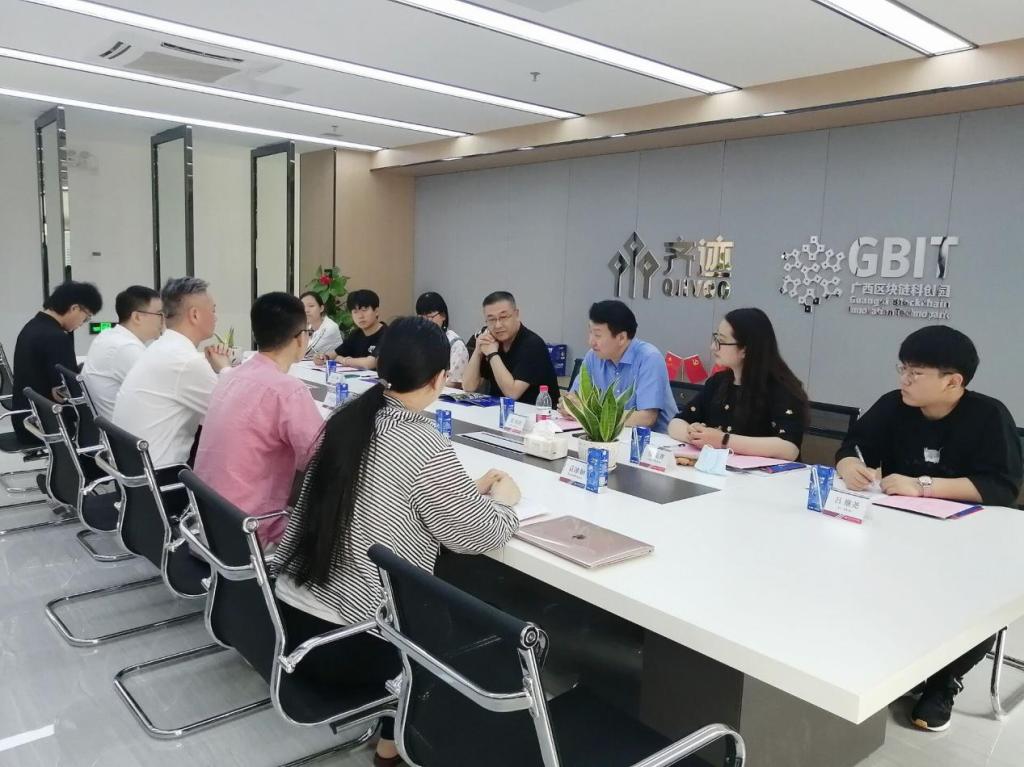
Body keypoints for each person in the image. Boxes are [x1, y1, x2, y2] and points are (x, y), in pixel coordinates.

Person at [273, 316, 519, 767]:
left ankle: (392, 736)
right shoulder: (425, 442)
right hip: (349, 646)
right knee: (457, 618)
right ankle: (398, 742)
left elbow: (394, 493)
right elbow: (476, 534)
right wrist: (505, 502)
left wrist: (465, 491)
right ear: (440, 378)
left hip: (289, 624)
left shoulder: (348, 420)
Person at [836, 325, 1022, 733]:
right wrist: (849, 464)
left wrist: (923, 486)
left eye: (915, 373)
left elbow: (1002, 487)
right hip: (898, 532)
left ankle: (944, 681)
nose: (904, 379)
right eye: (902, 368)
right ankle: (885, 660)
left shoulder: (989, 416)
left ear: (953, 381)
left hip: (969, 543)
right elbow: (854, 446)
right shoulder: (893, 405)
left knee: (974, 600)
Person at [194, 293, 324, 549]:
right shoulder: (287, 390)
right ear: (301, 338)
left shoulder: (230, 377)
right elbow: (321, 455)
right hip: (249, 535)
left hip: (206, 525)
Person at [113, 277, 230, 467]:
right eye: (213, 310)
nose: (216, 317)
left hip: (134, 469)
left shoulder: (161, 347)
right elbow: (235, 415)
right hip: (162, 476)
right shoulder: (187, 361)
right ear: (195, 315)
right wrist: (225, 369)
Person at [668, 307, 807, 460]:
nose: (713, 347)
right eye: (715, 339)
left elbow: (789, 449)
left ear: (745, 350)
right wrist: (695, 435)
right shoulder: (717, 382)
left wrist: (724, 440)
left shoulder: (782, 389)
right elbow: (676, 423)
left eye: (721, 341)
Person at [11, 281, 103, 445]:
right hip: (49, 426)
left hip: (26, 420)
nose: (82, 324)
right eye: (86, 317)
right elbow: (66, 392)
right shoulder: (56, 337)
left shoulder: (32, 327)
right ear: (75, 308)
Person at [563, 300, 677, 431]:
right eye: (590, 333)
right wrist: (568, 406)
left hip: (655, 439)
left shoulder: (649, 358)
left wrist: (590, 413)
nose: (591, 342)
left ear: (622, 338)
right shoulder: (592, 356)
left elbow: (646, 418)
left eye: (598, 335)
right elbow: (574, 399)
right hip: (609, 435)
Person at [462, 291, 561, 406]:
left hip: (536, 414)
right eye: (492, 319)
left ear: (516, 314)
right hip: (498, 411)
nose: (498, 325)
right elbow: (468, 387)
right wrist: (478, 351)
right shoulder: (490, 340)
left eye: (503, 317)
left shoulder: (532, 345)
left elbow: (512, 394)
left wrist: (492, 354)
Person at [81, 285, 163, 420]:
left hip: (110, 425)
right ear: (137, 317)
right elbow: (161, 396)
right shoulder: (126, 348)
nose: (164, 320)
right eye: (160, 314)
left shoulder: (108, 335)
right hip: (127, 430)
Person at [313, 289, 386, 370]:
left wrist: (345, 360)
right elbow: (335, 354)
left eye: (364, 310)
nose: (360, 316)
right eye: (355, 312)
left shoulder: (387, 334)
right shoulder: (356, 334)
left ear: (376, 311)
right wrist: (323, 357)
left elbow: (370, 363)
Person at [416, 291, 468, 387]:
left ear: (443, 316)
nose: (425, 321)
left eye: (429, 316)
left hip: (444, 393)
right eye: (421, 317)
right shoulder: (417, 340)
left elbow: (456, 382)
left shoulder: (455, 344)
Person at [299, 291, 343, 359]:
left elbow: (306, 352)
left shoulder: (330, 327)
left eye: (311, 306)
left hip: (332, 364)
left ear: (321, 308)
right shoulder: (308, 326)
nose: (306, 310)